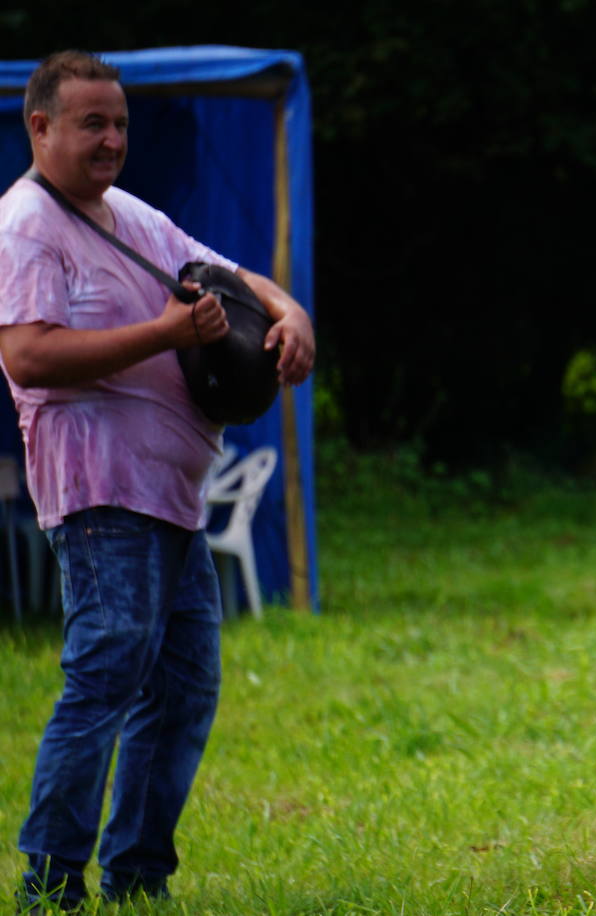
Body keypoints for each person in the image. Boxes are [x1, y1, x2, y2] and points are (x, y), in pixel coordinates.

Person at [0, 50, 315, 910]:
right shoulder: (26, 224)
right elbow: (26, 354)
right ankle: (51, 884)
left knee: (181, 691)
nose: (111, 140)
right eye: (91, 123)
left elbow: (228, 273)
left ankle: (137, 878)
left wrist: (290, 315)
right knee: (104, 681)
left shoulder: (126, 215)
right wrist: (166, 335)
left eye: (121, 124)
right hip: (102, 496)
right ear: (41, 127)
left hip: (169, 496)